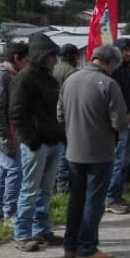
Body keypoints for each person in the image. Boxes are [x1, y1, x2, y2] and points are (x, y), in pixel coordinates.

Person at [58, 45, 129, 258]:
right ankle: (87, 248)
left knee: (76, 199)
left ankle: (70, 245)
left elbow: (59, 115)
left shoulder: (70, 80)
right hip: (99, 151)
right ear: (111, 63)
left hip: (73, 150)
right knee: (94, 201)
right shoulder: (109, 84)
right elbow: (118, 122)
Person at [9, 32, 66, 252]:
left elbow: (57, 110)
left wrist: (60, 136)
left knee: (45, 190)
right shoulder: (24, 78)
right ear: (41, 55)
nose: (55, 59)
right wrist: (32, 140)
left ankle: (41, 229)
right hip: (36, 144)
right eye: (51, 55)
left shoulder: (50, 78)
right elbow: (17, 113)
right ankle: (22, 234)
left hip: (53, 141)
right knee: (30, 190)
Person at [0, 42, 29, 222]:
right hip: (3, 133)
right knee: (14, 170)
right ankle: (10, 213)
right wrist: (4, 137)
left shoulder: (11, 75)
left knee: (5, 170)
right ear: (17, 58)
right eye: (26, 59)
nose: (28, 63)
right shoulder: (2, 76)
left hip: (10, 132)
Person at [105, 38, 130, 215]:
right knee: (117, 162)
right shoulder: (113, 72)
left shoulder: (128, 71)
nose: (129, 53)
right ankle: (111, 199)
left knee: (125, 163)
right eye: (125, 50)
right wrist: (123, 113)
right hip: (121, 123)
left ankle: (117, 196)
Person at [52, 43, 80, 194]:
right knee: (64, 152)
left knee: (54, 152)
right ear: (72, 56)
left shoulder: (52, 68)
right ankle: (63, 186)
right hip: (65, 115)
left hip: (50, 115)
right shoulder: (71, 72)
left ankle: (53, 184)